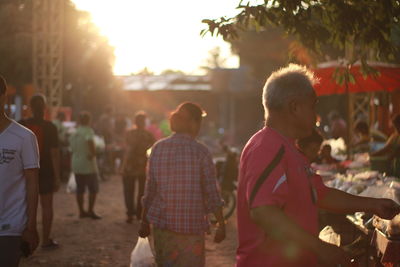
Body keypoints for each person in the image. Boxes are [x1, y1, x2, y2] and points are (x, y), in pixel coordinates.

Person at [236, 64, 400, 267]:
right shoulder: (266, 147)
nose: (316, 117)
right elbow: (263, 212)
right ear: (294, 107)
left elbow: (321, 194)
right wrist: (320, 247)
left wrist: (373, 204)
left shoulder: (291, 151)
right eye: (313, 106)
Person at [139, 102, 226, 266]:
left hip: (163, 228)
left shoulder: (158, 148)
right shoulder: (201, 152)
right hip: (192, 230)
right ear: (193, 123)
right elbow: (212, 192)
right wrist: (221, 224)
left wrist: (144, 222)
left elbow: (150, 190)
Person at [0, 76, 40, 266]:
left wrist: (31, 227)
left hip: (10, 228)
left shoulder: (24, 137)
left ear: (3, 97)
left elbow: (32, 183)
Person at [20, 94, 60, 249]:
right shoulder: (50, 127)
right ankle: (45, 239)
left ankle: (25, 238)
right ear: (44, 108)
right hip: (45, 171)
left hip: (24, 171)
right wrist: (57, 177)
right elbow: (54, 153)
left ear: (30, 107)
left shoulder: (21, 125)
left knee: (24, 206)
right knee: (47, 205)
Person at [121, 112, 155, 223]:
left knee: (128, 191)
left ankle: (129, 214)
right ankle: (139, 214)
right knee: (142, 192)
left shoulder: (129, 134)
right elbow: (152, 151)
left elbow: (126, 149)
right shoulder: (148, 135)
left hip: (129, 166)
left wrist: (123, 165)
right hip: (142, 166)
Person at [69, 112, 101, 219]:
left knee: (80, 189)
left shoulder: (75, 132)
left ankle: (81, 212)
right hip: (88, 164)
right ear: (89, 121)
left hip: (76, 163)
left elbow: (71, 147)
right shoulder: (88, 130)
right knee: (93, 189)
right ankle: (90, 211)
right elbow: (90, 142)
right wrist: (94, 153)